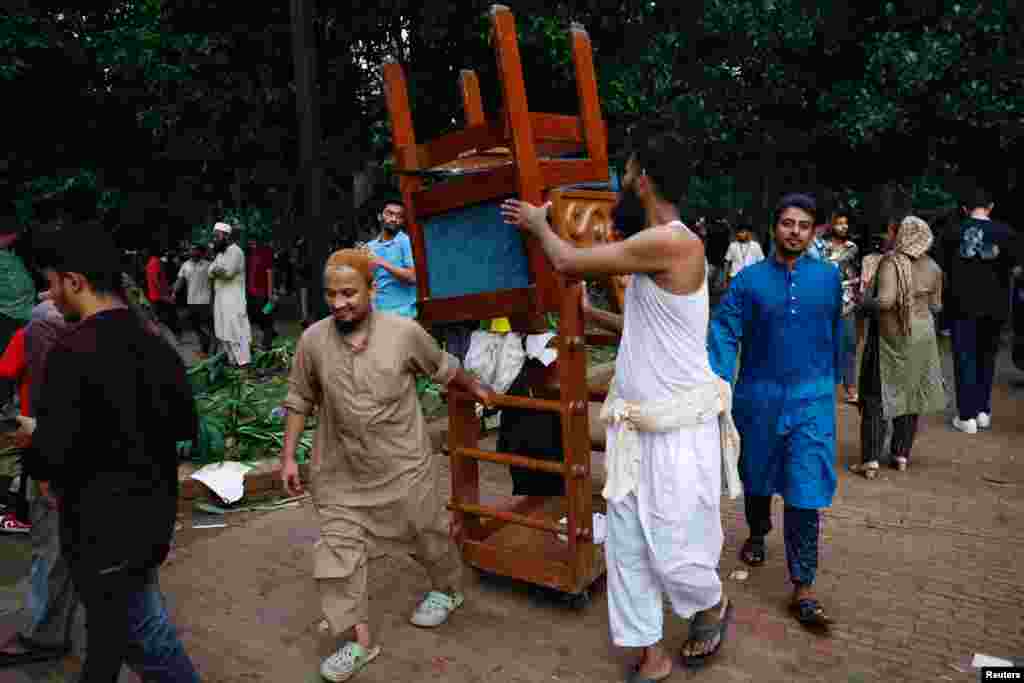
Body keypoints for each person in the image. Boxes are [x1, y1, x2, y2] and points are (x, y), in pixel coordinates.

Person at [502, 128, 740, 677]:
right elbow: (647, 322)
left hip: (676, 431)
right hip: (636, 431)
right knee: (628, 546)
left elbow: (565, 261)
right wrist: (598, 318)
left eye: (628, 173)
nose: (622, 183)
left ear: (646, 179)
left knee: (678, 548)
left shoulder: (674, 242)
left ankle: (711, 602)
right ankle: (649, 654)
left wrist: (540, 225)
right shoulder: (659, 249)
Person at [278, 248, 493, 683]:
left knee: (427, 534)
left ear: (373, 291)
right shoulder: (313, 342)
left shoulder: (403, 333)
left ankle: (446, 589)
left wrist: (477, 387)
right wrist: (287, 456)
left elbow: (442, 367)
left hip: (402, 465)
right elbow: (299, 398)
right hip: (339, 470)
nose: (339, 303)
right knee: (338, 555)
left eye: (349, 293)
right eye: (331, 294)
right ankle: (357, 640)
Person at [20, 222, 199, 682]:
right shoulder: (156, 344)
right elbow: (183, 425)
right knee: (111, 635)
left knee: (142, 634)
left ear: (75, 282)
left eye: (53, 283)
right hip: (150, 519)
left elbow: (53, 454)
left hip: (101, 527)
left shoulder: (72, 350)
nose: (50, 295)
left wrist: (33, 439)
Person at [708, 193, 841, 632]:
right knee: (758, 473)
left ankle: (803, 585)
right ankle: (759, 531)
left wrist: (846, 379)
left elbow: (839, 331)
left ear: (814, 230)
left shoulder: (828, 279)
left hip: (812, 401)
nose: (795, 232)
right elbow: (724, 331)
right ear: (775, 227)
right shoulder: (748, 281)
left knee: (806, 487)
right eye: (788, 223)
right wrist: (719, 381)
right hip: (759, 396)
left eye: (804, 225)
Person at [0, 297, 79, 667]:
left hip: (50, 447)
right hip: (87, 454)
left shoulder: (40, 323)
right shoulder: (110, 326)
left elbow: (10, 374)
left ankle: (41, 635)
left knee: (50, 544)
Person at [852, 216, 945, 477]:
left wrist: (862, 303)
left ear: (903, 234)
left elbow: (885, 301)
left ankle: (870, 460)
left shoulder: (891, 262)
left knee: (875, 397)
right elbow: (937, 306)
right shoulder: (935, 267)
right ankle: (900, 455)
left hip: (890, 337)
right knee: (910, 396)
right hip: (922, 337)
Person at [941, 187, 1022, 433]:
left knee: (964, 357)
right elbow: (1016, 270)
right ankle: (983, 410)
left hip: (961, 305)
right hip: (995, 307)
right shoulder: (1006, 233)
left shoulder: (952, 232)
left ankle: (966, 416)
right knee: (987, 358)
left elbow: (943, 270)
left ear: (964, 209)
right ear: (991, 206)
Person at [820, 212, 860, 403]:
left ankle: (850, 387)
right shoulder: (821, 247)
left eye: (846, 224)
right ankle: (823, 387)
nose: (843, 227)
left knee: (849, 344)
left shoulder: (852, 248)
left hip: (847, 304)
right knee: (823, 345)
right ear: (831, 225)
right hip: (824, 303)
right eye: (839, 224)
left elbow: (856, 273)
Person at [0, 219, 36, 411]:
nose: (14, 238)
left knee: (21, 361)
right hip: (7, 315)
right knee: (7, 362)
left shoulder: (10, 253)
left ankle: (15, 401)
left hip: (24, 314)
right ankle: (5, 402)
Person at [209, 222, 252, 367]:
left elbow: (228, 273)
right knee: (222, 330)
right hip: (221, 298)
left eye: (217, 236)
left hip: (234, 299)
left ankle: (244, 363)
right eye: (213, 236)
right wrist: (216, 270)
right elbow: (210, 272)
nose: (214, 239)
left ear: (226, 236)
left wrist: (217, 270)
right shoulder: (220, 254)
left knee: (236, 330)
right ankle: (232, 361)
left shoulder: (236, 251)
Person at [366, 199, 417, 318]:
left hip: (403, 313)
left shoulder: (405, 241)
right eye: (390, 214)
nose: (394, 219)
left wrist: (381, 262)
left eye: (399, 216)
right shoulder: (370, 246)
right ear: (380, 217)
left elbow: (412, 277)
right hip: (377, 314)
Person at [174, 244, 214, 357]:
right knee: (196, 327)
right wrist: (173, 292)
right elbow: (180, 281)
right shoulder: (185, 265)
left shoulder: (209, 265)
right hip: (192, 301)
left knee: (208, 327)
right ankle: (205, 349)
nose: (192, 253)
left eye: (195, 251)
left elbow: (215, 284)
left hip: (206, 301)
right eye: (191, 251)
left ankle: (209, 351)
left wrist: (214, 301)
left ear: (201, 253)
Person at [246, 239, 277, 351]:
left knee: (265, 316)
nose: (251, 243)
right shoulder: (248, 253)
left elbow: (270, 273)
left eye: (253, 241)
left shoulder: (266, 252)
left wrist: (270, 293)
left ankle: (267, 343)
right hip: (250, 293)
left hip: (262, 293)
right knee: (256, 317)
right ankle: (268, 336)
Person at [144, 245, 180, 337]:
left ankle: (172, 334)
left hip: (156, 295)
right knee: (170, 317)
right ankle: (174, 335)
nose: (164, 252)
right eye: (162, 250)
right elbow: (157, 281)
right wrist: (165, 296)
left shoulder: (151, 262)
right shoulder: (156, 263)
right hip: (160, 296)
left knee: (165, 316)